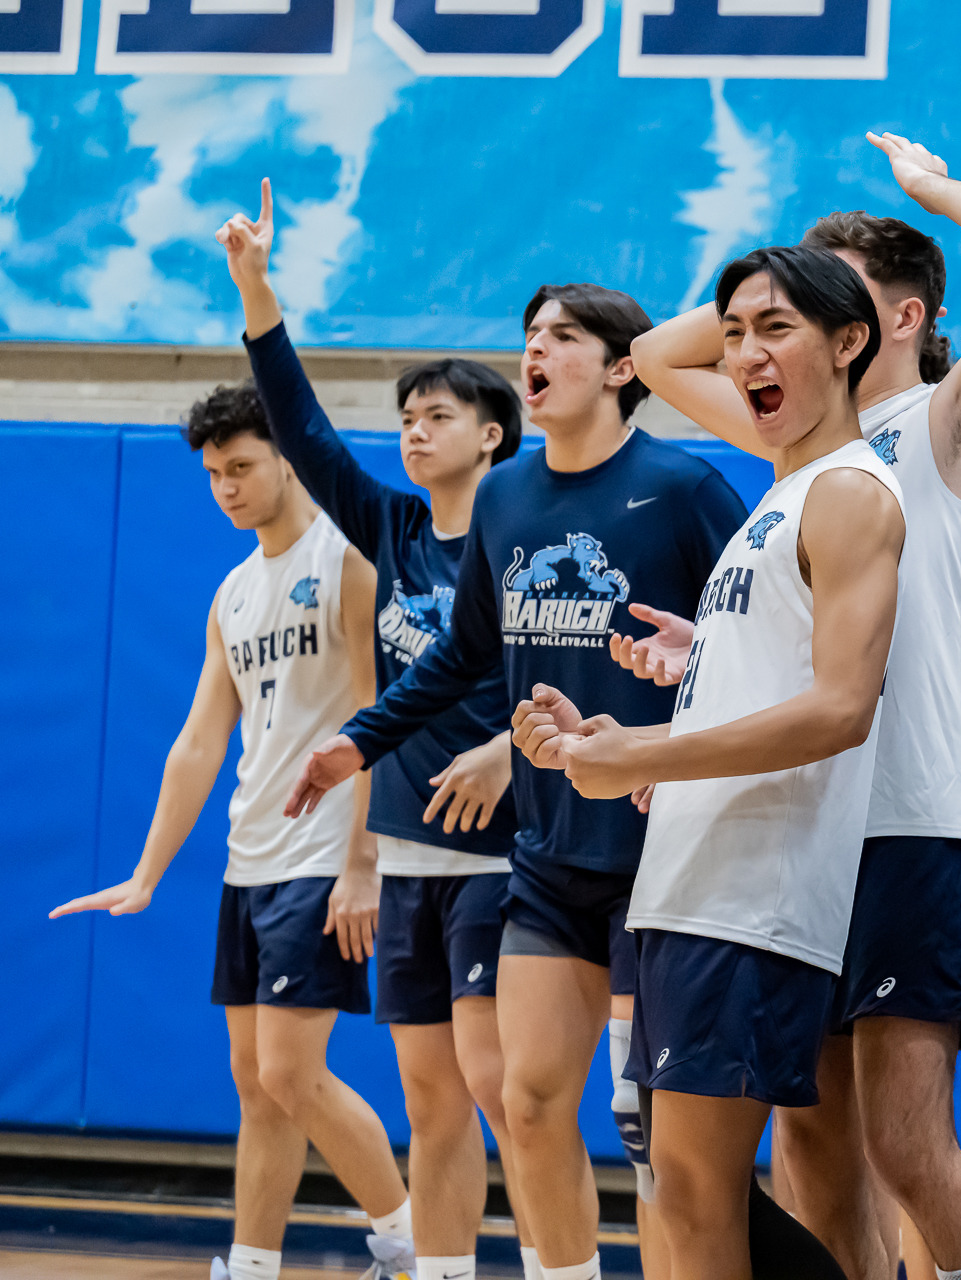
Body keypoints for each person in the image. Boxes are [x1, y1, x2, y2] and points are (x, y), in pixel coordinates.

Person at [626, 131, 961, 1280]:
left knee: (906, 1142)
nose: (765, 342)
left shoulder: (955, 422)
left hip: (912, 810)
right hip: (811, 824)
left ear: (893, 320)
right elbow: (661, 357)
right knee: (809, 1150)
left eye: (814, 306)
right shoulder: (806, 449)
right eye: (757, 324)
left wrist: (926, 191)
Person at [283, 282, 747, 1280]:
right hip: (545, 859)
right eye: (530, 335)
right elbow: (461, 654)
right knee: (528, 1103)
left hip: (662, 858)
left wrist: (670, 735)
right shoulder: (504, 495)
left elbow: (761, 647)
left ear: (626, 368)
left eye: (564, 336)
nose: (537, 349)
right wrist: (358, 743)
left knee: (648, 1129)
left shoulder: (684, 488)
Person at [512, 243, 907, 1280]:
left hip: (755, 894)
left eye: (776, 329)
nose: (742, 354)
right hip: (690, 882)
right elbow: (761, 685)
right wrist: (615, 738)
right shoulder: (782, 494)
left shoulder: (852, 493)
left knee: (695, 1192)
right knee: (682, 1188)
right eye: (731, 334)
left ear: (852, 341)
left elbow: (841, 706)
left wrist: (657, 747)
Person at [216, 179, 535, 1280]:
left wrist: (514, 748)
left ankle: (553, 1262)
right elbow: (301, 430)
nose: (413, 430)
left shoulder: (530, 527)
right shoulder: (395, 528)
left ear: (493, 434)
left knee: (507, 1091)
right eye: (405, 416)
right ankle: (443, 1267)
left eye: (436, 415)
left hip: (504, 853)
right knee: (432, 1097)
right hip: (404, 851)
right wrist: (257, 288)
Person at [50, 385, 414, 1280]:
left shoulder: (348, 561)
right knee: (258, 1085)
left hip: (324, 852)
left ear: (288, 456)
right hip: (248, 860)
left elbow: (384, 714)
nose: (227, 487)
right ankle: (251, 1266)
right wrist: (146, 873)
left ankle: (412, 1246)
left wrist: (364, 861)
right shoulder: (232, 593)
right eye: (213, 474)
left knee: (293, 1074)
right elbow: (198, 741)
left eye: (243, 467)